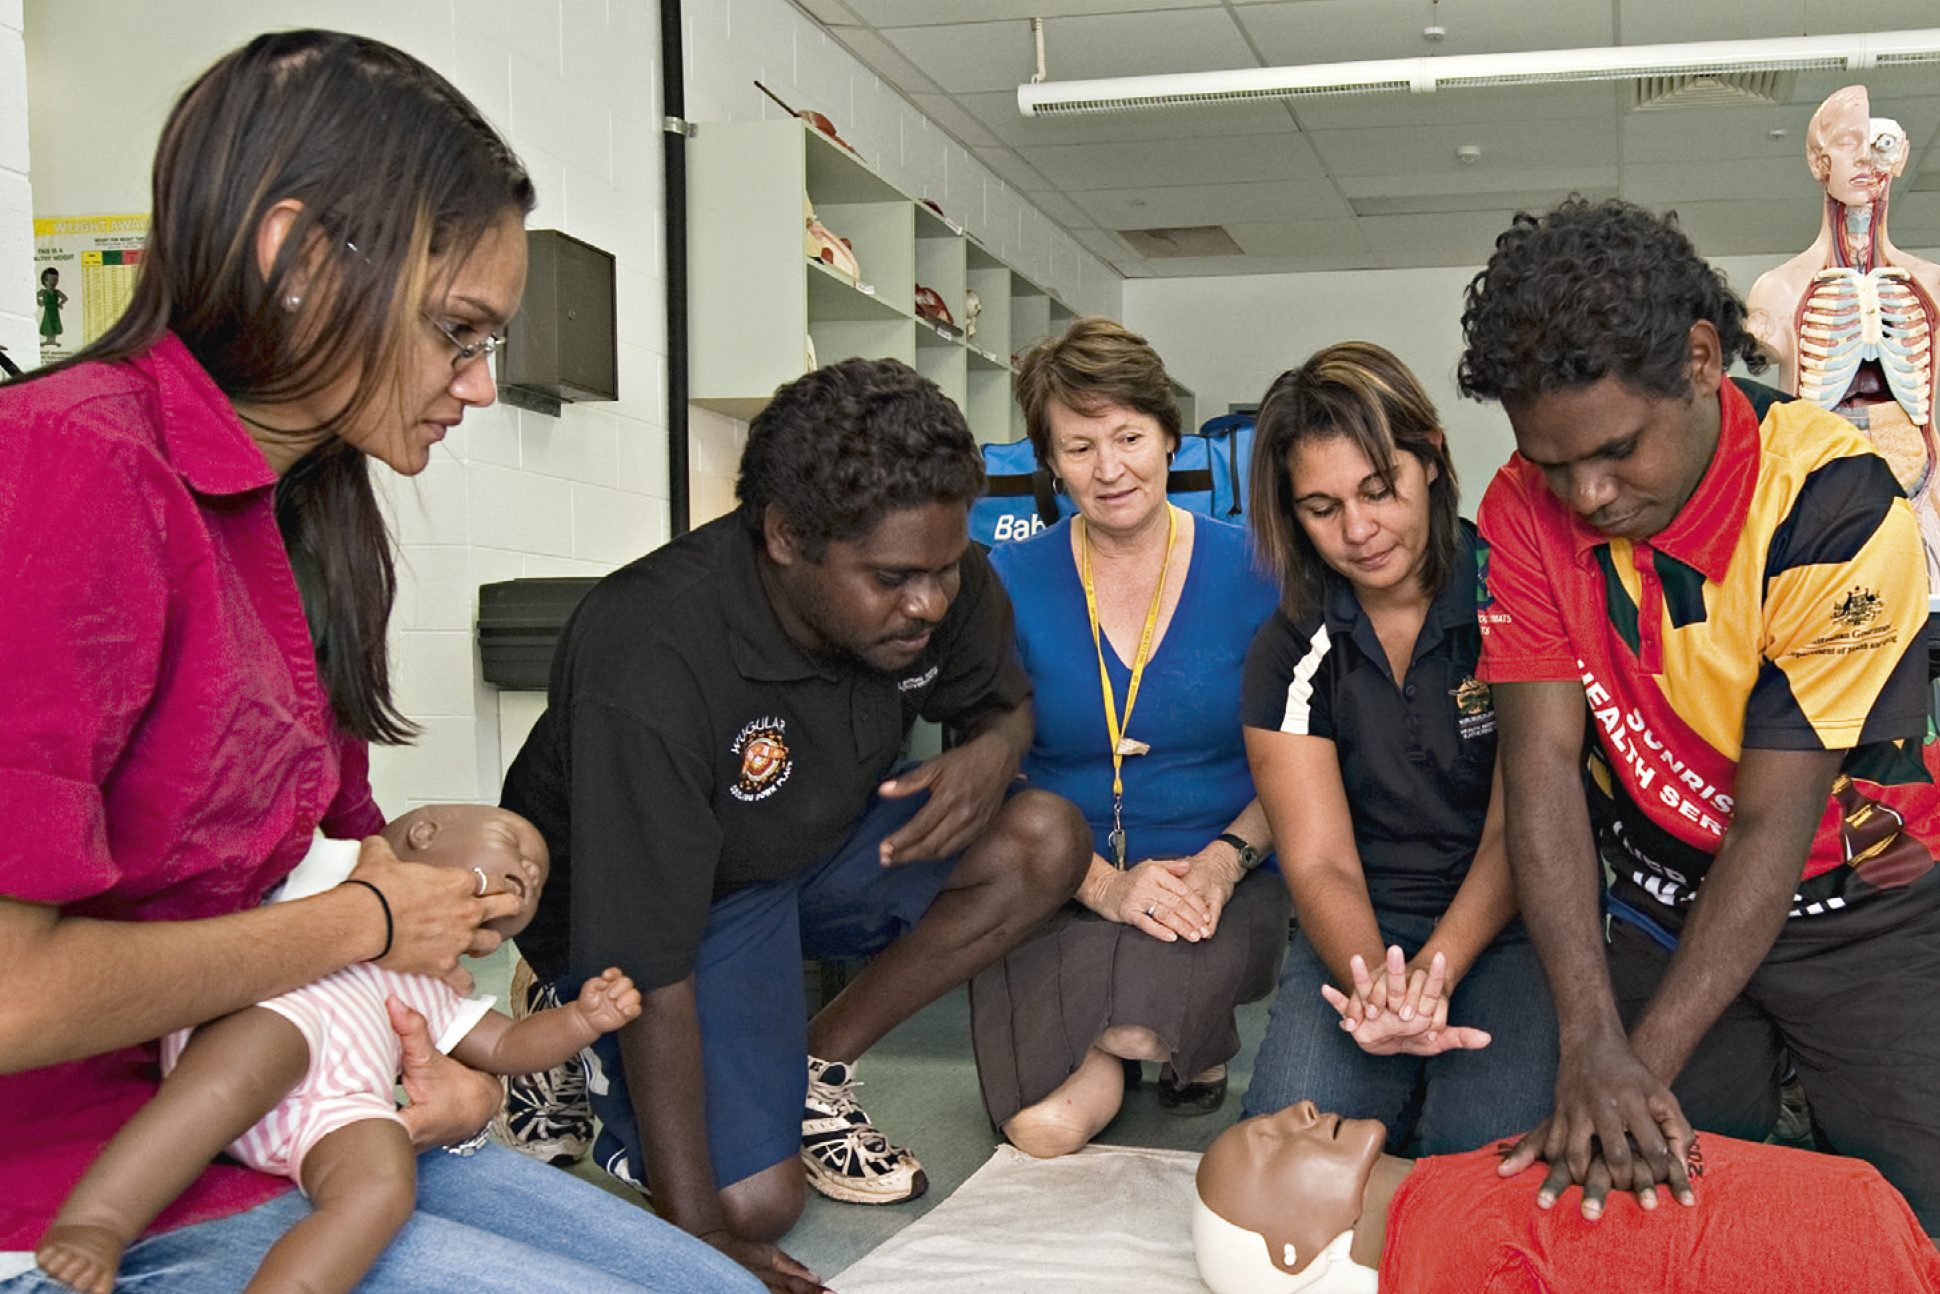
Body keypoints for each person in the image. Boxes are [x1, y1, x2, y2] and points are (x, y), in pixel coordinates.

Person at [0, 30, 759, 1294]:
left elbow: (340, 858)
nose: (475, 385)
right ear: (298, 259)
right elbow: (15, 997)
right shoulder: (73, 468)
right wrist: (366, 918)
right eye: (457, 332)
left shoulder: (314, 511)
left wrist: (439, 943)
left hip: (299, 1125)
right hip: (82, 1195)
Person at [499, 356, 1092, 1292]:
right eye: (896, 577)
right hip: (669, 910)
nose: (930, 603)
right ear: (785, 535)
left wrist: (991, 750)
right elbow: (649, 970)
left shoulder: (941, 573)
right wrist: (700, 1242)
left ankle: (816, 1067)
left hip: (810, 840)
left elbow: (1002, 707)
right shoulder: (649, 657)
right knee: (753, 1206)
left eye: (945, 570)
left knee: (1046, 837)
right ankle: (562, 1021)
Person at [1457, 197, 1940, 1232]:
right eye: (1552, 462)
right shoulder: (1519, 505)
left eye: (1615, 449)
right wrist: (1589, 1040)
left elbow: (1770, 824)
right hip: (1658, 901)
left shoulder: (1832, 502)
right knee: (1654, 1209)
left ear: (1699, 357)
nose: (1583, 493)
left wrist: (1632, 1068)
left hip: (1857, 904)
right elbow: (1537, 770)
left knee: (1911, 1210)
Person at [38, 806, 644, 1294]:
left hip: (339, 1112)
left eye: (535, 881)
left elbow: (508, 1044)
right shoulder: (332, 874)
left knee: (382, 1189)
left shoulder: (432, 978)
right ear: (424, 833)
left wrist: (581, 1019)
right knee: (229, 1081)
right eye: (513, 845)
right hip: (275, 1029)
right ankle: (98, 1220)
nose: (529, 873)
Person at [967, 318, 1286, 1157]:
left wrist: (1222, 863)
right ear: (1049, 460)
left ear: (1168, 436)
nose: (1109, 470)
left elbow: (1303, 765)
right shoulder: (1005, 580)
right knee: (1050, 1104)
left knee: (1144, 1018)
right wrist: (1100, 885)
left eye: (1129, 437)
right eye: (1078, 447)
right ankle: (1140, 1053)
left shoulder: (1261, 570)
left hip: (1211, 874)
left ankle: (1148, 1048)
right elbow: (985, 769)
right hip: (1055, 875)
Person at [1237, 342, 1556, 1155]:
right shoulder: (1290, 646)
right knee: (1279, 1161)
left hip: (1517, 921)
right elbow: (1318, 862)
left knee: (1488, 1170)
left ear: (1432, 457)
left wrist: (1437, 973)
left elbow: (1519, 833)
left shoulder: (1516, 593)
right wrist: (1377, 986)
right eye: (1321, 506)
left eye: (1379, 490)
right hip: (1359, 928)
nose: (1358, 530)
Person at [1192, 1101, 1940, 1293]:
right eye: (1266, 1144)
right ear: (1290, 1255)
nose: (1296, 1113)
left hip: (1862, 1226)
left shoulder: (1438, 1187)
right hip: (1849, 1263)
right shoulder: (1443, 1267)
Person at [1747, 85, 1940, 584]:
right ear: (1818, 161)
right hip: (1817, 482)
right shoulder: (1778, 291)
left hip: (1918, 477)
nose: (1864, 157)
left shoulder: (1932, 284)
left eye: (1876, 142)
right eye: (1847, 142)